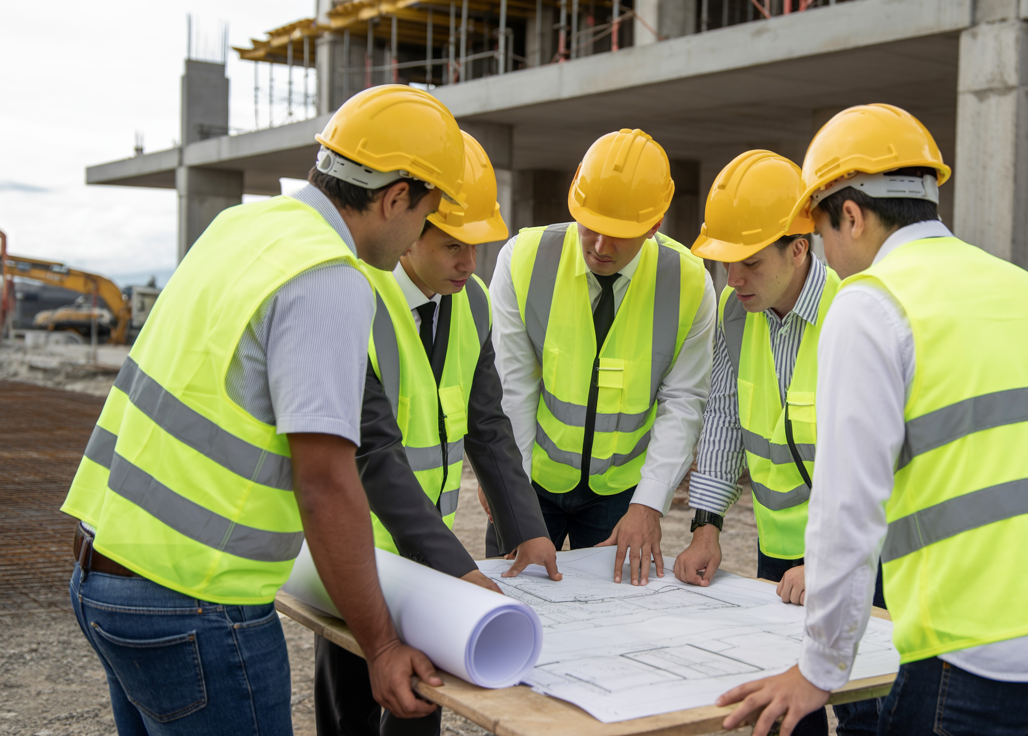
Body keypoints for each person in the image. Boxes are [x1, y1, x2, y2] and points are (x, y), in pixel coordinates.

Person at [719, 104, 1028, 736]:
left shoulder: (870, 305)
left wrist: (818, 670)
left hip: (975, 656)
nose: (827, 255)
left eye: (824, 232)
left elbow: (847, 510)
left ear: (851, 215)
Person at [61, 85, 465, 735]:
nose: (419, 233)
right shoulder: (328, 275)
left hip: (101, 573)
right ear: (395, 198)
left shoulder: (240, 228)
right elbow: (327, 484)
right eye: (426, 216)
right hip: (192, 603)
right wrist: (383, 645)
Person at [315, 131, 561, 736]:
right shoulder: (355, 297)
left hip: (427, 553)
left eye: (475, 248)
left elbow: (488, 427)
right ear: (408, 233)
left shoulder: (471, 301)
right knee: (351, 710)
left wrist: (528, 530)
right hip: (358, 553)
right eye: (453, 245)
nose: (468, 264)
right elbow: (372, 452)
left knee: (420, 707)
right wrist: (458, 569)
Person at [672, 150, 880, 736]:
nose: (733, 279)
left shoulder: (855, 312)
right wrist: (705, 523)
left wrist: (830, 564)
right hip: (778, 553)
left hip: (859, 558)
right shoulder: (738, 313)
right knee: (786, 716)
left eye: (750, 263)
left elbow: (883, 462)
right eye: (726, 264)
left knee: (866, 712)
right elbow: (722, 417)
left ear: (799, 247)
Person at [490, 128, 715, 584]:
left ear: (655, 224)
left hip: (622, 494)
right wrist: (510, 495)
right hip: (532, 477)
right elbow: (512, 386)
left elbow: (684, 402)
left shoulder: (690, 283)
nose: (600, 247)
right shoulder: (523, 259)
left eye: (620, 235)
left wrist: (649, 503)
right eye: (590, 226)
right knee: (516, 609)